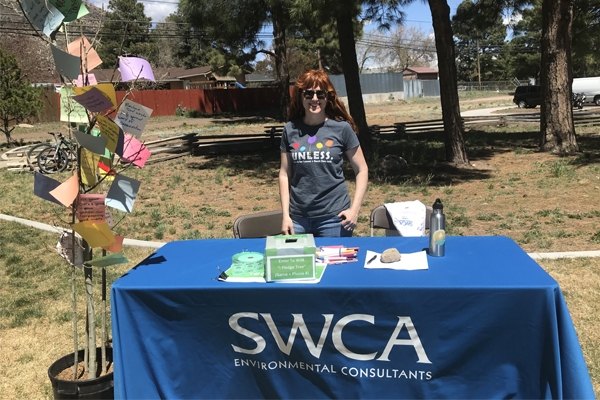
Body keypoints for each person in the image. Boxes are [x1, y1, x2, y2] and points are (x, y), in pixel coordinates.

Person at [279, 69, 368, 237]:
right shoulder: (290, 130)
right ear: (301, 96)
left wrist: (354, 210)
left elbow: (362, 169)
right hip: (298, 219)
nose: (314, 99)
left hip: (334, 218)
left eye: (320, 94)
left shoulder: (342, 129)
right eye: (309, 94)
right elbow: (284, 174)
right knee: (297, 263)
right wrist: (285, 215)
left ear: (328, 97)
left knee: (334, 263)